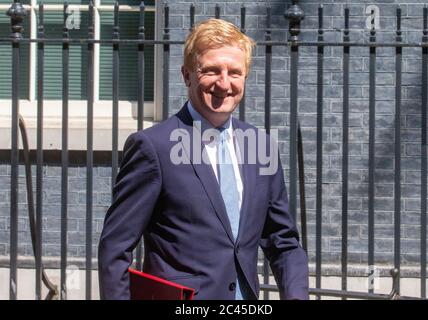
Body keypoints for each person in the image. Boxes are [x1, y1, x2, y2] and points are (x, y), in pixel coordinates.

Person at [98, 18, 309, 300]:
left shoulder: (261, 146)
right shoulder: (153, 147)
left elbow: (283, 242)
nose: (224, 83)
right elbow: (115, 247)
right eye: (211, 71)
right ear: (187, 75)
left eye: (234, 72)